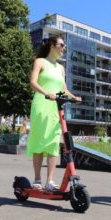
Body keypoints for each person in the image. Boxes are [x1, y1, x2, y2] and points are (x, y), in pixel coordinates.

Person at [27, 36, 81, 191]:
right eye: (61, 45)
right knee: (39, 141)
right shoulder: (40, 61)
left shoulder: (61, 68)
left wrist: (74, 97)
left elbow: (63, 89)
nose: (64, 48)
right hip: (42, 104)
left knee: (53, 143)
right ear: (52, 46)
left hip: (56, 107)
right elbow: (33, 82)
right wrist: (47, 93)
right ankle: (37, 179)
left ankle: (49, 181)